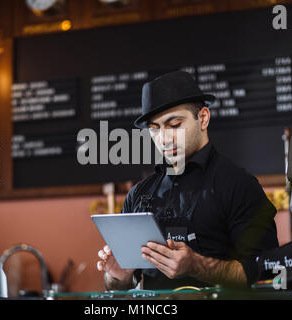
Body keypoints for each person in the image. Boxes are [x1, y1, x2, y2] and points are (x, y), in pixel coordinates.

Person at [96, 70, 279, 290]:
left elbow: (269, 274)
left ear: (203, 118)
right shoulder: (138, 195)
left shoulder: (239, 185)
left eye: (174, 125)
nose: (163, 139)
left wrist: (196, 265)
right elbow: (118, 287)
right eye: (154, 130)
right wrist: (119, 276)